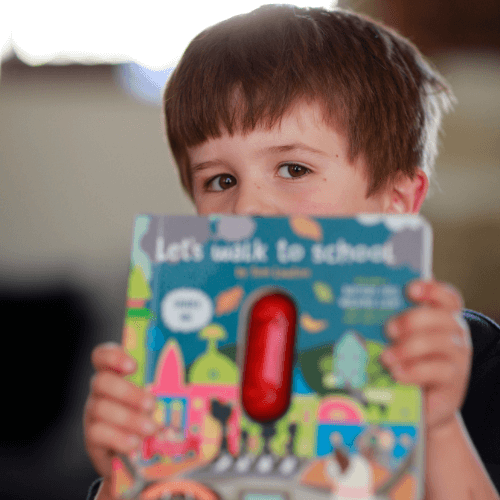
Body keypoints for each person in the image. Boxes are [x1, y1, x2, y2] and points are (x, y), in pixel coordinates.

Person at [84, 5, 500, 499]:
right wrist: (121, 474)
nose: (248, 206)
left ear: (396, 202)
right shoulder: (173, 355)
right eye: (221, 180)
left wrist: (439, 427)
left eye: (294, 169)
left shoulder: (464, 361)